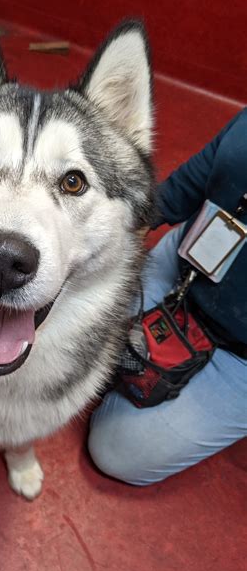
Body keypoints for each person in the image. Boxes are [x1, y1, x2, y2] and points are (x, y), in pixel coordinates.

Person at [88, 108, 247, 485]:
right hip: (187, 270)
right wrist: (122, 227)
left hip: (239, 352)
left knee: (116, 450)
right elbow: (198, 177)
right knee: (68, 330)